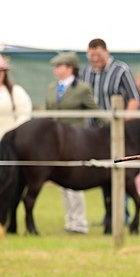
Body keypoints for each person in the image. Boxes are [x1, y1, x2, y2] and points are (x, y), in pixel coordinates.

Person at [44, 52, 99, 234]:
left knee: (75, 183)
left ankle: (79, 224)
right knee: (62, 184)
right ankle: (69, 221)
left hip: (75, 141)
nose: (56, 70)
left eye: (59, 66)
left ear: (70, 68)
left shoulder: (82, 89)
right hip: (54, 144)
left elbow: (96, 112)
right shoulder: (51, 88)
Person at [82, 38, 140, 120]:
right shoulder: (85, 72)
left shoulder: (121, 70)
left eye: (99, 55)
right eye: (91, 55)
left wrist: (127, 123)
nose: (95, 59)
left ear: (107, 52)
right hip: (90, 129)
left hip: (115, 126)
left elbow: (134, 99)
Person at [0, 55, 34, 137]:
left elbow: (24, 116)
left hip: (8, 143)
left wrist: (12, 136)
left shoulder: (16, 91)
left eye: (2, 70)